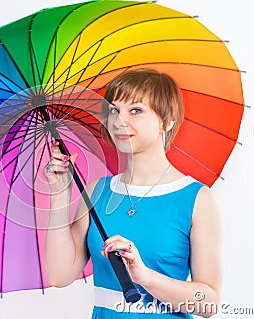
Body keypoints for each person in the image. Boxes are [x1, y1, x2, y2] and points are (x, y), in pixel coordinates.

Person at [44, 68, 223, 318]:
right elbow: (59, 275)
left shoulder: (196, 199)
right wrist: (59, 194)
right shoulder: (97, 190)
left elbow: (209, 304)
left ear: (167, 120)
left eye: (136, 110)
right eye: (114, 110)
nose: (120, 121)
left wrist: (145, 277)